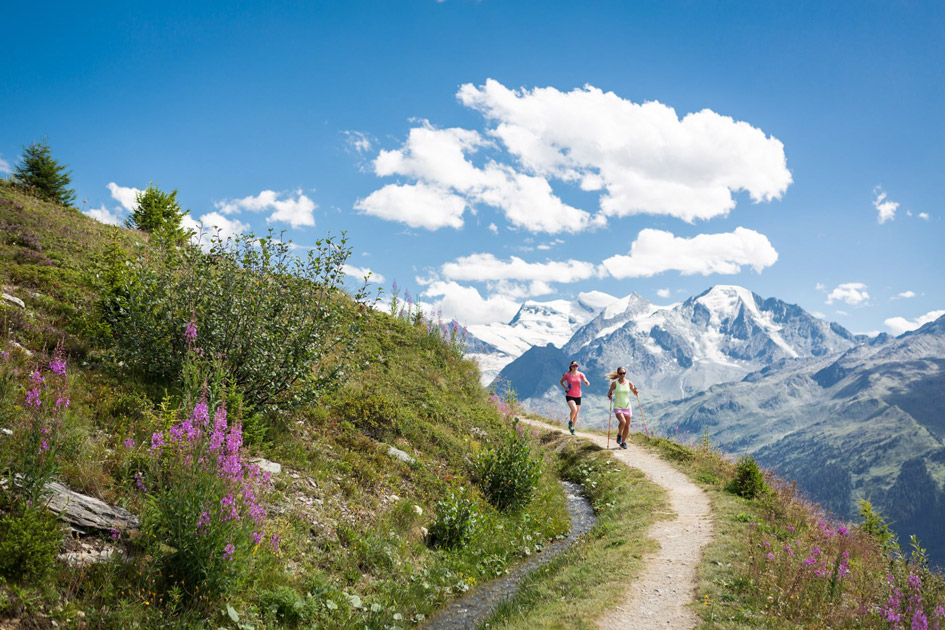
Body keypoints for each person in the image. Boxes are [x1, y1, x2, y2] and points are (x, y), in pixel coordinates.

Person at [606, 367, 638, 449]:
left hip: (627, 406)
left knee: (627, 425)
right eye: (620, 373)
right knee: (623, 421)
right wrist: (610, 396)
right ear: (618, 374)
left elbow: (634, 392)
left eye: (624, 373)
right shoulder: (615, 383)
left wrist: (636, 392)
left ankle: (623, 442)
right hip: (618, 406)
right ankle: (619, 435)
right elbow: (609, 393)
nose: (623, 375)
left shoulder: (629, 383)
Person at [560, 361, 590, 435]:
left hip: (578, 395)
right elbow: (561, 381)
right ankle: (570, 421)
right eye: (573, 365)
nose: (575, 367)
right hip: (570, 395)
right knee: (574, 409)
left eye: (576, 365)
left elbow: (586, 381)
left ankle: (572, 429)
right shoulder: (567, 375)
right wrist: (565, 387)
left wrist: (587, 383)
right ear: (571, 366)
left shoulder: (580, 374)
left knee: (576, 414)